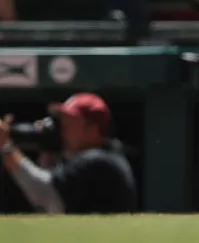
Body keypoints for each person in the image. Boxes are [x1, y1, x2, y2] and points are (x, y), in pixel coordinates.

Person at [0, 92, 137, 214]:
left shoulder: (99, 161)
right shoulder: (108, 155)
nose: (63, 127)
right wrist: (48, 153)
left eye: (70, 121)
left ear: (92, 129)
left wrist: (6, 147)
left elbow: (46, 196)